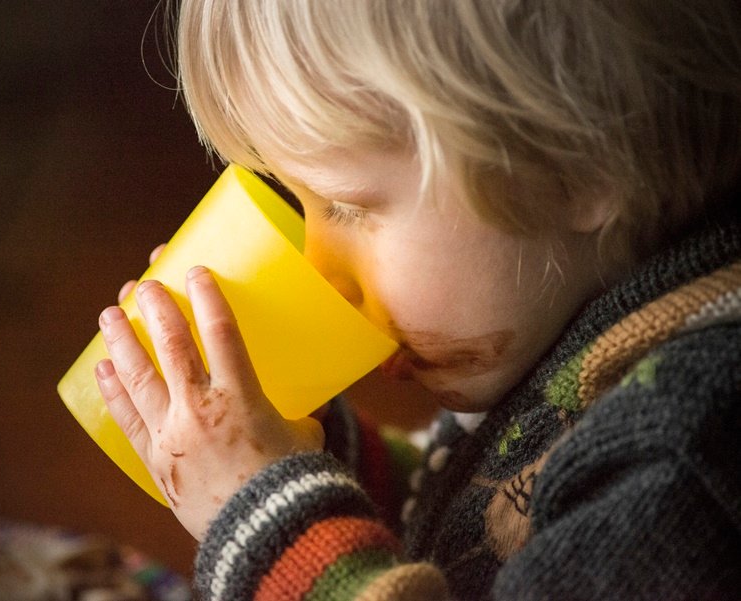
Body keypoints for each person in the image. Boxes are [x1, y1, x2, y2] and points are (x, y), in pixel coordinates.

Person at [93, 1, 741, 599]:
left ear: (575, 167)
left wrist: (268, 519)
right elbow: (476, 523)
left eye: (348, 206)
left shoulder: (677, 465)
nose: (318, 268)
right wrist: (308, 445)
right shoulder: (576, 321)